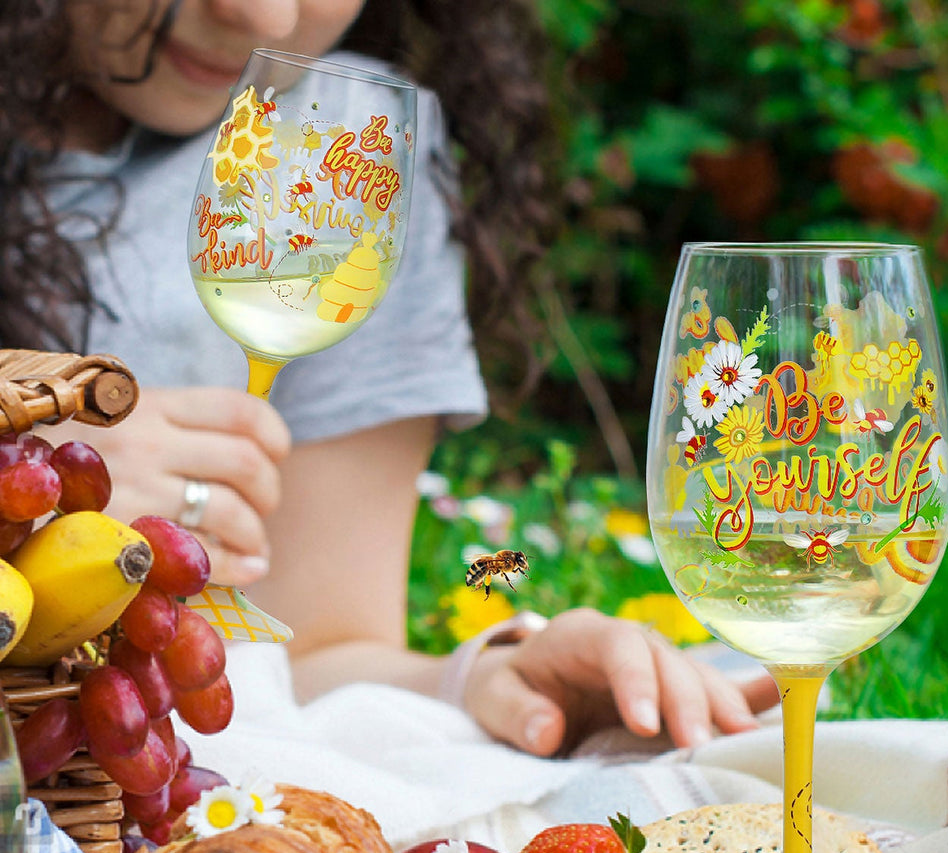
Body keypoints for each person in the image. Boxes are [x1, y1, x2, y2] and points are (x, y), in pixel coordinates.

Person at [1, 0, 778, 757]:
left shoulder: (346, 148)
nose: (266, 17)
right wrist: (29, 466)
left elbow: (315, 650)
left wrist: (489, 680)